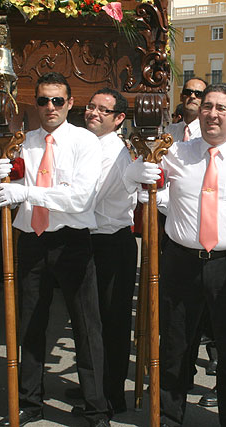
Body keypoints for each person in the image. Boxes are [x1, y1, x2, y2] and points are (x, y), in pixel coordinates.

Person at [125, 82, 226, 427]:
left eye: (221, 108)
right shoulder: (178, 152)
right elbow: (137, 179)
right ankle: (169, 415)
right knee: (175, 344)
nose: (212, 114)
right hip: (181, 260)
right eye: (207, 107)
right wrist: (138, 175)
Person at [0, 72, 110, 427]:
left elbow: (79, 197)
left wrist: (27, 192)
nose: (50, 107)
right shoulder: (23, 142)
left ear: (70, 103)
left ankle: (96, 408)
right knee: (30, 323)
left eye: (57, 100)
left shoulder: (84, 142)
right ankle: (29, 401)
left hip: (71, 241)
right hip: (31, 239)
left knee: (86, 327)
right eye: (43, 100)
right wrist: (0, 171)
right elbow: (3, 189)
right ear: (35, 102)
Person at [83, 88, 137, 414]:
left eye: (103, 110)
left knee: (111, 323)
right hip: (89, 241)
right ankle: (96, 390)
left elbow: (88, 197)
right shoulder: (85, 145)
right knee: (91, 321)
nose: (94, 113)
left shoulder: (115, 152)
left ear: (119, 119)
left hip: (110, 243)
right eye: (91, 107)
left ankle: (110, 395)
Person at [164, 77, 207, 142]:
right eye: (188, 92)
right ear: (181, 97)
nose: (192, 96)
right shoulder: (169, 131)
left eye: (199, 94)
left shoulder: (208, 133)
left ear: (205, 100)